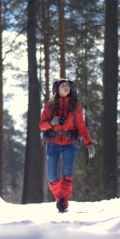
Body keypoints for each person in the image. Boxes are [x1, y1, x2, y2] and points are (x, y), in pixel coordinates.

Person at [39, 78, 95, 213]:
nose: (66, 87)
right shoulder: (50, 105)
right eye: (63, 85)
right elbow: (42, 125)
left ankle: (63, 202)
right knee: (51, 176)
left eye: (68, 86)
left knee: (67, 174)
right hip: (53, 144)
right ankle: (60, 197)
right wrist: (52, 122)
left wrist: (89, 144)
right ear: (57, 89)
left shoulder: (75, 105)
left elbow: (81, 126)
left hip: (71, 144)